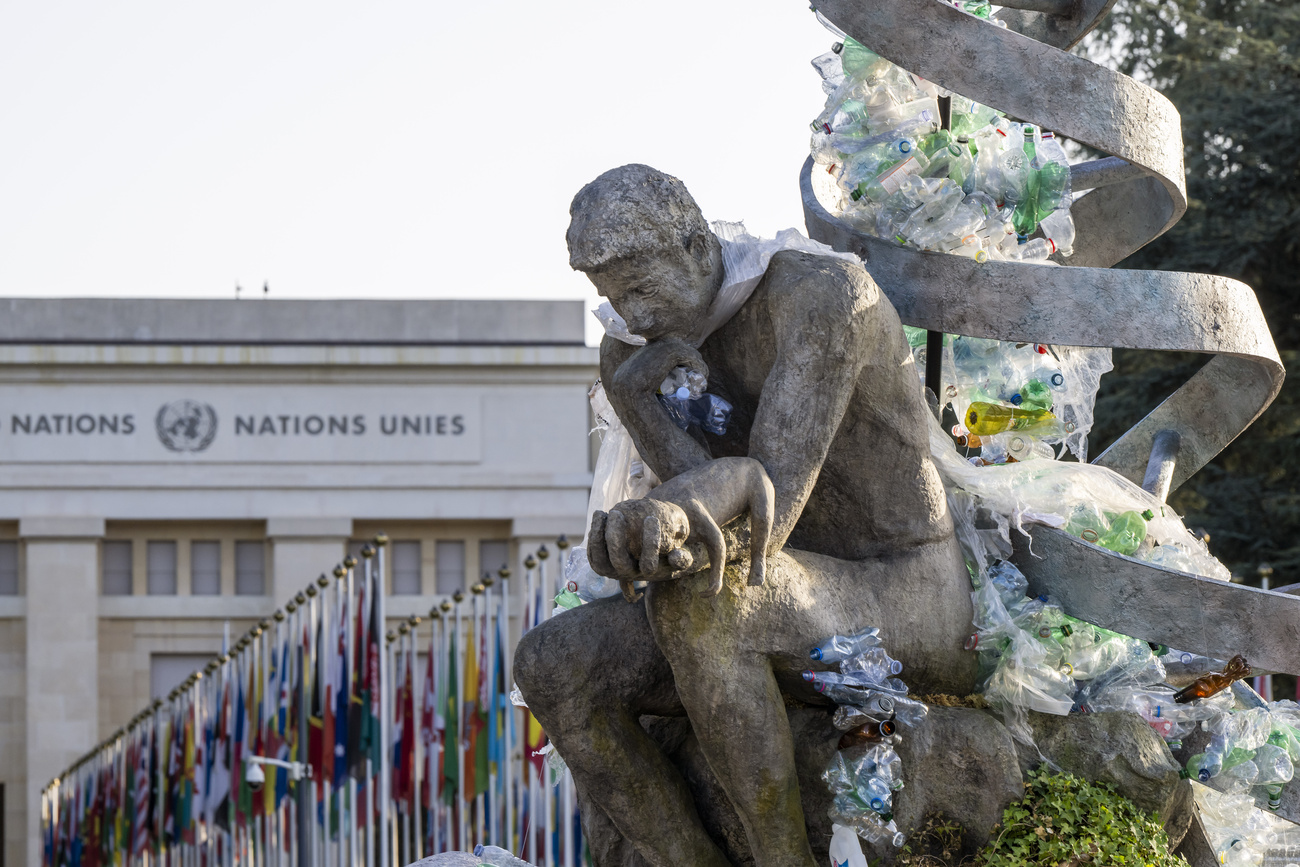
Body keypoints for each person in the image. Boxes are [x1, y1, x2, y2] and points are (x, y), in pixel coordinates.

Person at [514, 164, 976, 867]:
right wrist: (638, 421)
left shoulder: (820, 298)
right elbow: (694, 519)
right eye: (611, 297)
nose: (630, 316)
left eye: (639, 287)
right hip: (788, 598)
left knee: (706, 602)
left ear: (697, 247)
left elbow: (765, 519)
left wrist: (670, 525)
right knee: (550, 663)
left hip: (904, 588)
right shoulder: (631, 357)